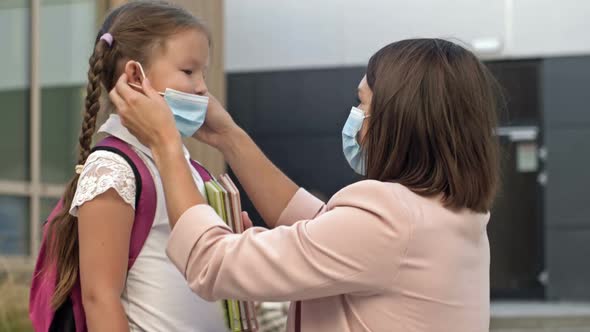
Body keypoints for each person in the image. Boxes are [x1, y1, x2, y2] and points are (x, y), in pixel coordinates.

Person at [111, 38, 501, 331]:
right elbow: (321, 222)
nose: (357, 119)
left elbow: (213, 263)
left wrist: (164, 143)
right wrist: (229, 136)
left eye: (364, 104)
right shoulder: (452, 214)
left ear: (401, 121)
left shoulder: (389, 218)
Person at [43, 1, 227, 331]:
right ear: (134, 75)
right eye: (188, 71)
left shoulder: (186, 167)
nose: (202, 87)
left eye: (204, 73)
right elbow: (100, 297)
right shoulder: (113, 169)